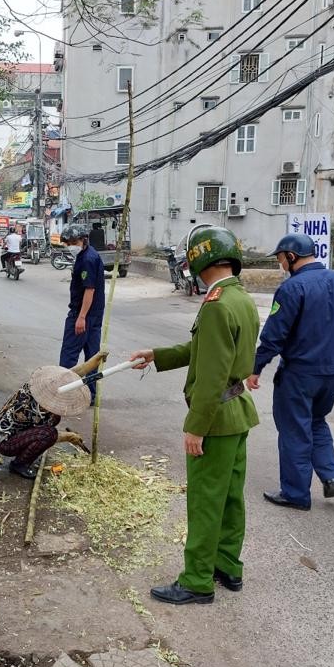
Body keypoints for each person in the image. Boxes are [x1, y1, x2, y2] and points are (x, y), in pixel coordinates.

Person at [130, 226, 259, 605]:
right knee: (231, 498)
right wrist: (159, 354)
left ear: (199, 260)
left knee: (205, 500)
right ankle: (227, 566)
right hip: (237, 412)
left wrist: (195, 427)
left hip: (216, 416)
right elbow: (203, 348)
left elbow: (212, 374)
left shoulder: (217, 304)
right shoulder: (239, 298)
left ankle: (197, 580)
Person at [245, 233, 334, 511]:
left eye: (280, 259)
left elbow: (274, 335)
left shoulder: (292, 288)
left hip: (299, 376)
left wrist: (255, 368)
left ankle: (296, 494)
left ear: (291, 256)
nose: (280, 264)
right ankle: (331, 476)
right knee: (316, 422)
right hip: (333, 375)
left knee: (294, 431)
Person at [0, 353, 106, 479]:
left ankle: (26, 454)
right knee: (50, 434)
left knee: (53, 420)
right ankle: (19, 464)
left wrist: (92, 363)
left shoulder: (41, 386)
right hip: (5, 442)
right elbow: (44, 434)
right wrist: (67, 437)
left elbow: (69, 376)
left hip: (2, 428)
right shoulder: (38, 409)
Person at [58, 224, 105, 403]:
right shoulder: (89, 254)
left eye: (74, 242)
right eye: (68, 243)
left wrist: (81, 317)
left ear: (83, 240)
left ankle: (65, 393)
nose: (71, 245)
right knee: (92, 357)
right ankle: (91, 395)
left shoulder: (87, 259)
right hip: (95, 314)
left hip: (83, 314)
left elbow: (89, 290)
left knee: (68, 356)